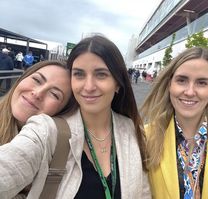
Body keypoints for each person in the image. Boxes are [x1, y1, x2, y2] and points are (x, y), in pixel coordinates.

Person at [0, 35, 151, 198]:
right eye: (79, 74)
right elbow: (10, 165)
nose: (89, 86)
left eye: (101, 74)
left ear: (118, 83)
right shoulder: (47, 130)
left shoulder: (131, 129)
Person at [141, 47, 208, 199]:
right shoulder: (146, 138)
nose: (190, 92)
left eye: (201, 83)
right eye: (182, 80)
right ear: (169, 84)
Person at [0, 60, 74, 145]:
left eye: (54, 94)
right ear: (23, 78)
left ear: (62, 111)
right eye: (37, 80)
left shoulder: (56, 152)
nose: (37, 93)